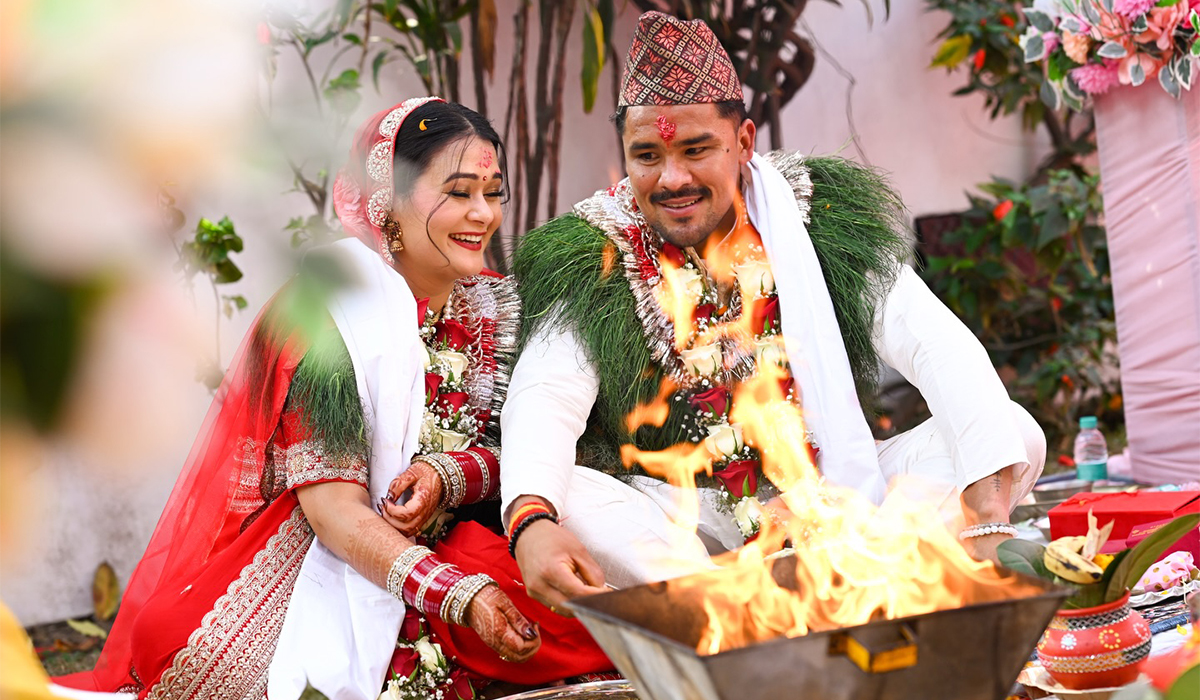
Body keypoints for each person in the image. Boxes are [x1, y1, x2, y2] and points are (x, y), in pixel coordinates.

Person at [54, 98, 609, 700]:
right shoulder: (331, 319)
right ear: (387, 203)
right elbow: (335, 514)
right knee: (195, 647)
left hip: (466, 537)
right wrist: (457, 594)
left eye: (493, 193)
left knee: (590, 609)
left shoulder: (500, 307)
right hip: (325, 556)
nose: (483, 213)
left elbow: (537, 450)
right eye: (458, 193)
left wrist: (450, 475)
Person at [500, 12, 1047, 613]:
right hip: (696, 529)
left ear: (744, 142)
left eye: (696, 149)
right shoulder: (597, 253)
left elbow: (933, 342)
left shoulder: (817, 219)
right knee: (565, 496)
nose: (672, 179)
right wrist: (531, 521)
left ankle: (820, 584)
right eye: (647, 155)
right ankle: (739, 607)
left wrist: (987, 516)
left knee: (1011, 432)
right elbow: (545, 394)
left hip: (834, 493)